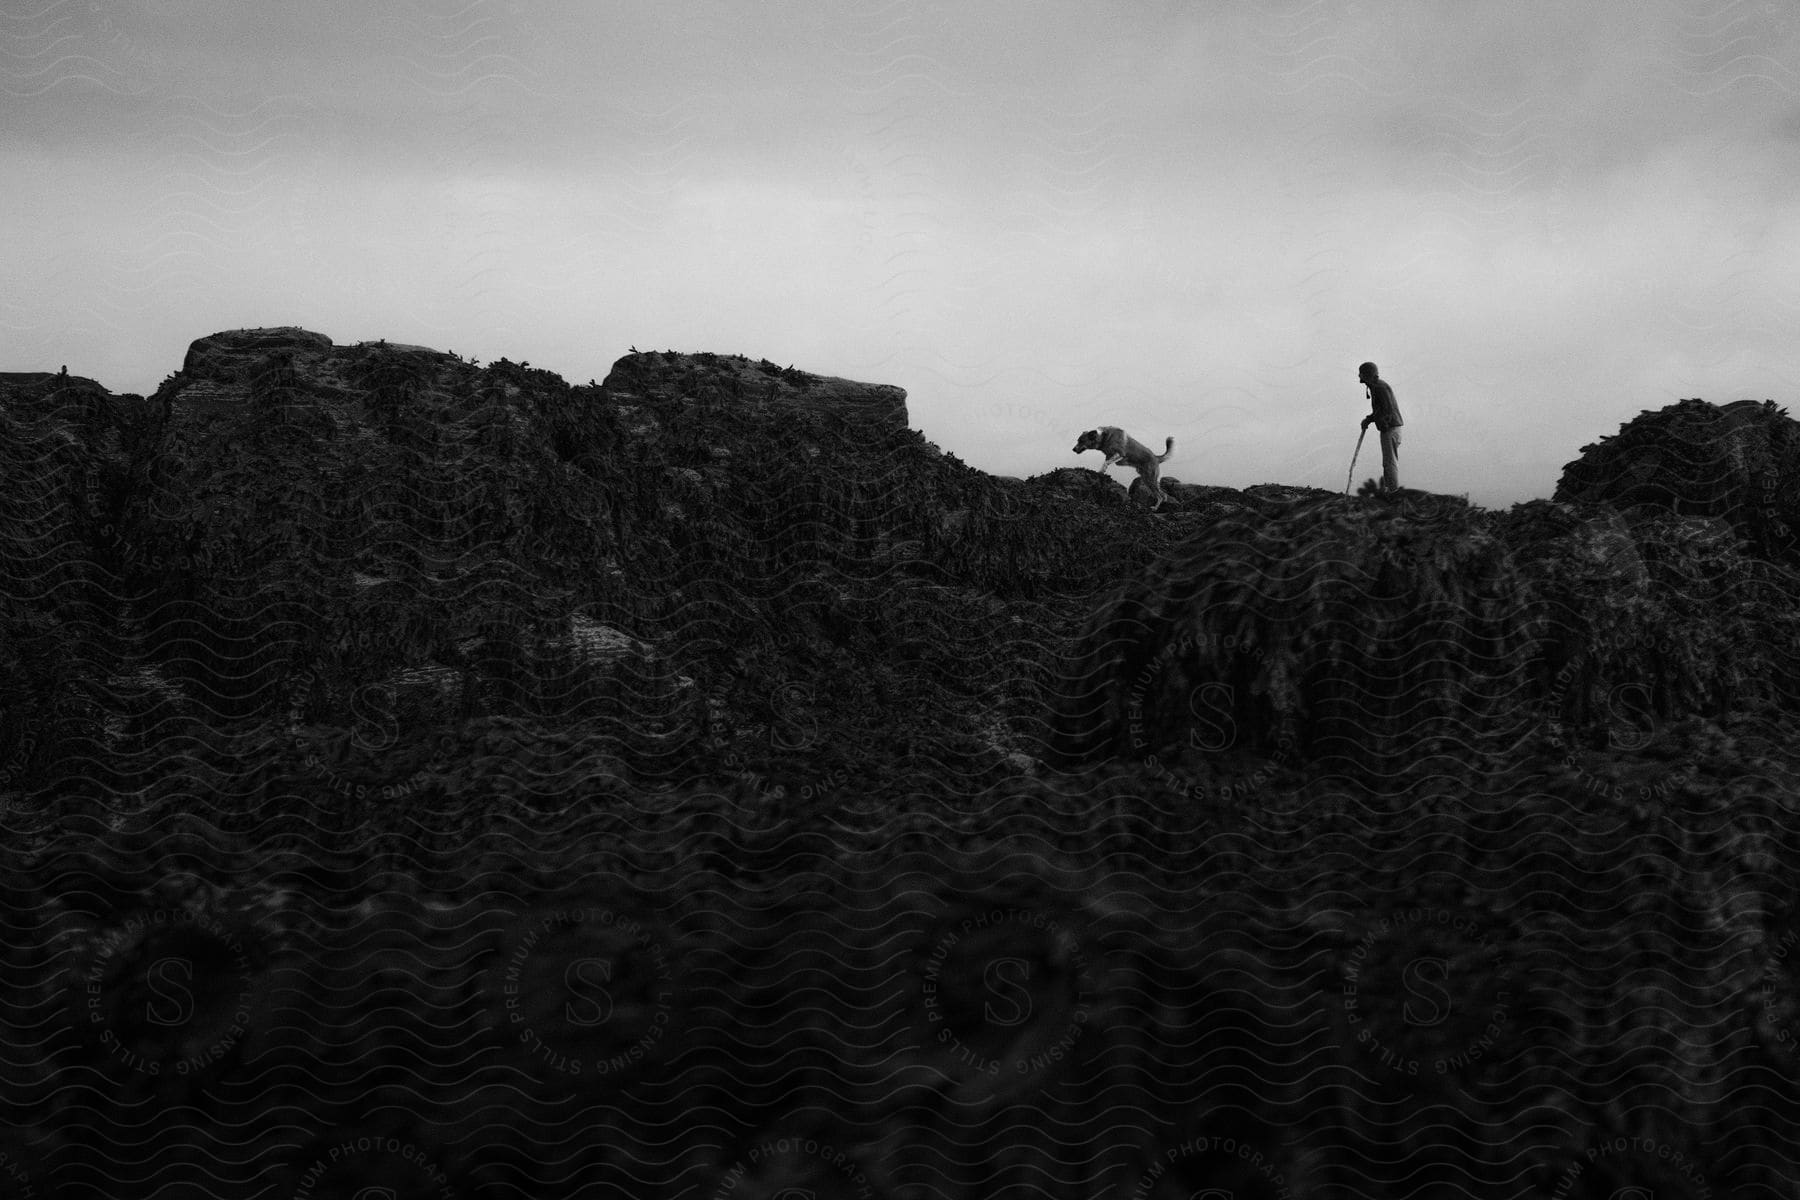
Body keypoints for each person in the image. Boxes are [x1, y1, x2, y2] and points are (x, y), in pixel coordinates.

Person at [1358, 361, 1403, 492]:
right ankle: (1389, 490)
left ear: (1366, 375)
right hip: (1391, 428)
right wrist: (1369, 419)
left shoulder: (1379, 388)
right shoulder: (1376, 386)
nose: (1361, 380)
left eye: (1361, 376)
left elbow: (1388, 410)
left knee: (1390, 462)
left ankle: (1392, 493)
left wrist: (1381, 423)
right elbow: (1381, 410)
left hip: (1391, 429)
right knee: (1388, 462)